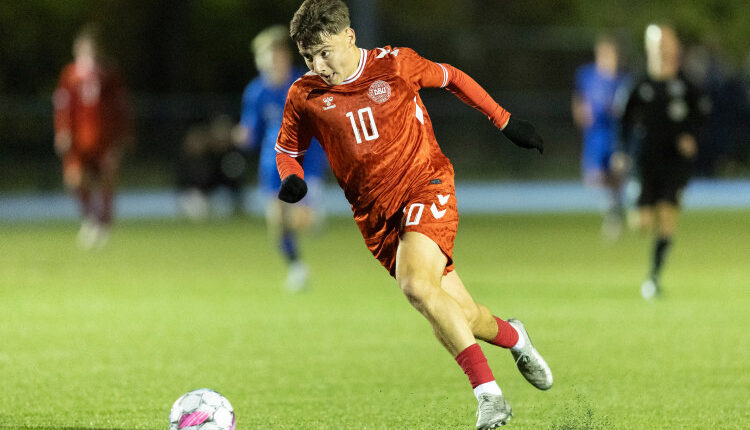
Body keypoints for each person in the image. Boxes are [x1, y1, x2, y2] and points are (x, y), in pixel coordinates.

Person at [275, 1, 552, 428]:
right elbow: (287, 150)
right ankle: (515, 336)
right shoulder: (305, 95)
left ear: (349, 37)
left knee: (417, 286)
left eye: (325, 52)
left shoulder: (396, 65)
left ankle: (489, 396)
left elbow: (452, 77)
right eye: (308, 56)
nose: (318, 64)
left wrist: (505, 121)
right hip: (377, 219)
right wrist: (292, 178)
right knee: (459, 311)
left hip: (427, 184)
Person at [616, 24, 709, 299]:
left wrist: (691, 137)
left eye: (668, 42)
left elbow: (702, 118)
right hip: (645, 162)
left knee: (668, 218)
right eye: (658, 43)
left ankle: (653, 279)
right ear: (650, 47)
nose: (664, 48)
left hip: (675, 164)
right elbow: (623, 120)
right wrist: (621, 150)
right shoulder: (639, 84)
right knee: (642, 224)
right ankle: (630, 206)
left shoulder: (687, 85)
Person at [235, 25, 329, 291]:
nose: (272, 63)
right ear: (259, 61)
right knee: (277, 224)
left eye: (277, 56)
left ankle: (311, 216)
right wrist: (242, 135)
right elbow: (251, 132)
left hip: (305, 161)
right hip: (271, 163)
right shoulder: (255, 91)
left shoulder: (304, 85)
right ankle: (297, 269)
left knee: (299, 219)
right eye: (266, 57)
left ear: (286, 58)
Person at [53, 23, 133, 249]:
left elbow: (121, 106)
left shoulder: (109, 73)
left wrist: (123, 134)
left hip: (105, 137)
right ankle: (92, 218)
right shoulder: (70, 75)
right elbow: (63, 106)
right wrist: (62, 132)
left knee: (107, 177)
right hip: (79, 139)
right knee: (74, 179)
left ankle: (104, 222)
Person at [572, 34, 630, 240]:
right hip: (595, 134)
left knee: (617, 172)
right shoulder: (586, 75)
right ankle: (616, 207)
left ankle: (615, 214)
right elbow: (579, 100)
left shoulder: (623, 80)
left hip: (614, 134)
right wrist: (580, 115)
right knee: (594, 177)